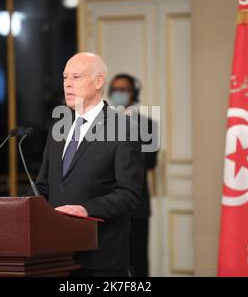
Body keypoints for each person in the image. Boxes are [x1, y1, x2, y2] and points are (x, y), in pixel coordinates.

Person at [35, 52, 144, 277]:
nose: (67, 84)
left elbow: (129, 193)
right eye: (65, 77)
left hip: (100, 257)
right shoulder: (59, 128)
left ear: (98, 81)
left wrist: (86, 209)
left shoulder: (123, 128)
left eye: (76, 77)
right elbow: (43, 187)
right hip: (55, 256)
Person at [108, 73, 159, 277]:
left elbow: (150, 161)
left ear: (133, 93)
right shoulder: (102, 124)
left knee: (138, 260)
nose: (119, 94)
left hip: (138, 204)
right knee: (113, 262)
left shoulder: (148, 125)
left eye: (124, 89)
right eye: (115, 90)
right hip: (108, 203)